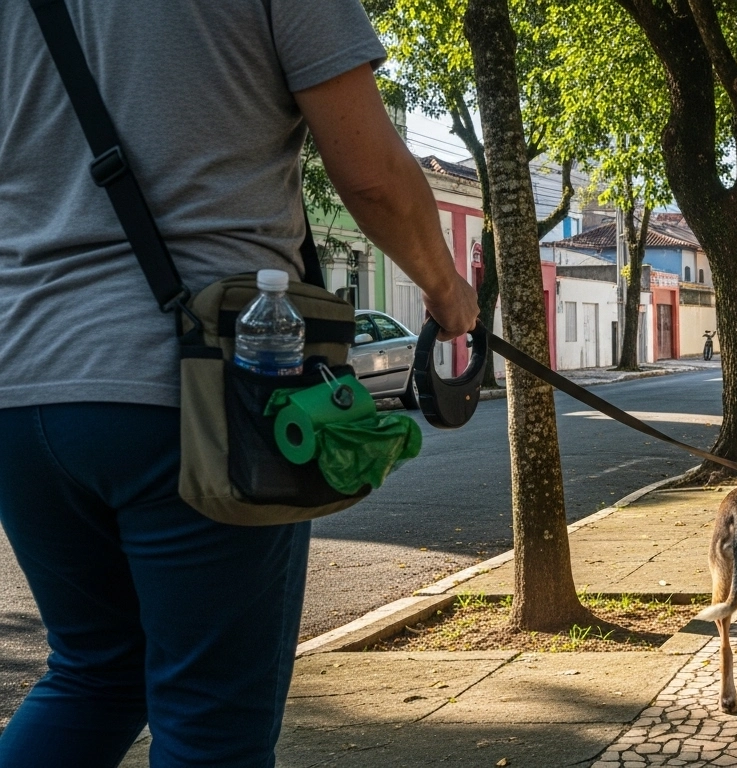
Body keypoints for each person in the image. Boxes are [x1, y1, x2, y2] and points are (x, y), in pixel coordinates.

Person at [0, 1, 478, 766]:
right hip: (200, 397)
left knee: (95, 674)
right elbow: (373, 175)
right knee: (210, 724)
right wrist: (445, 286)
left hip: (21, 391)